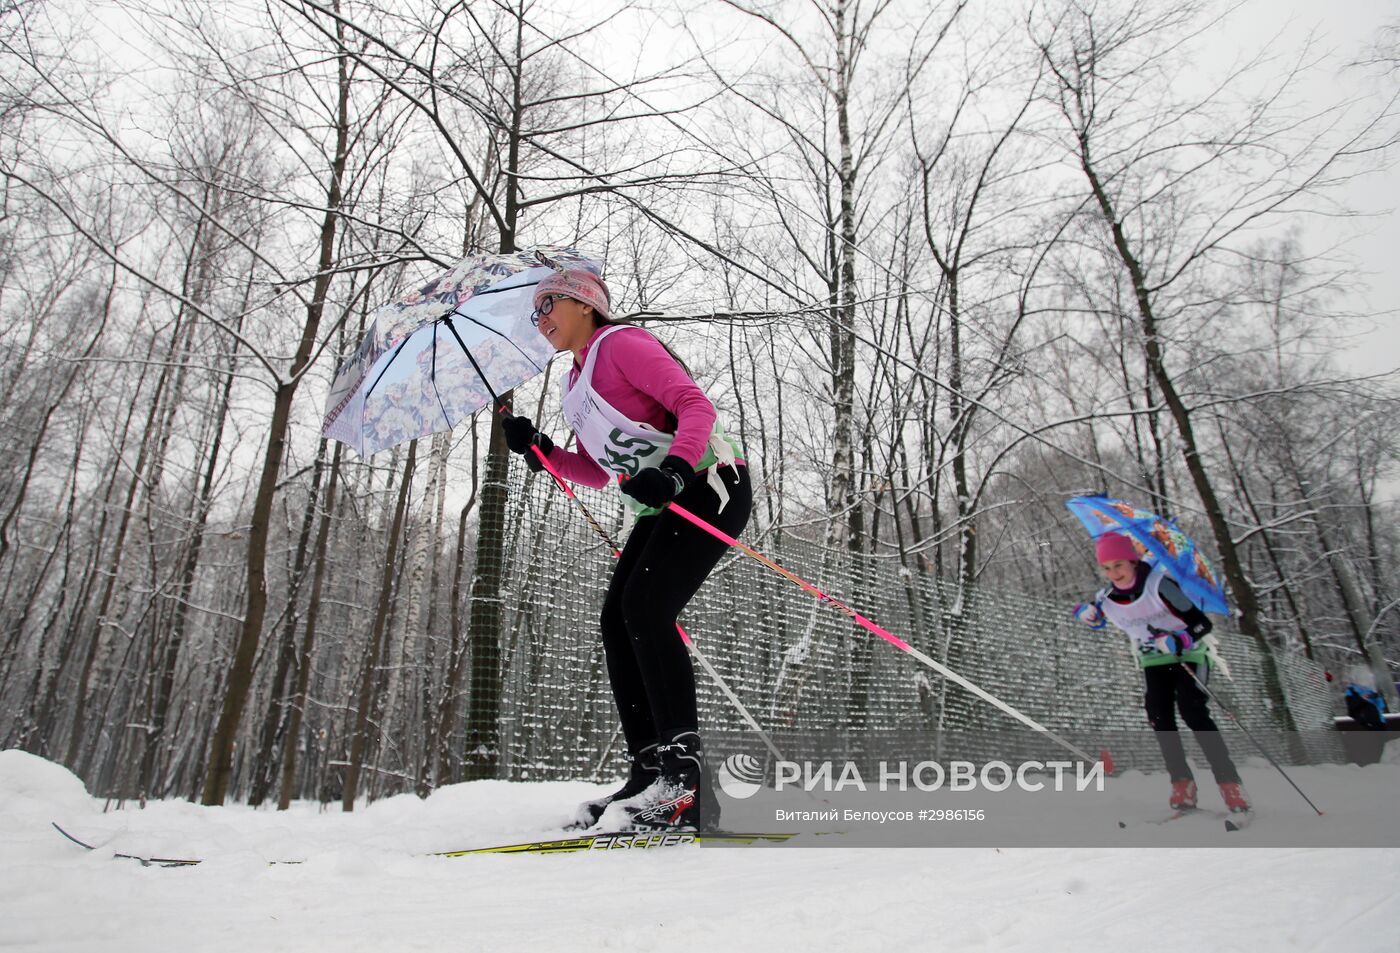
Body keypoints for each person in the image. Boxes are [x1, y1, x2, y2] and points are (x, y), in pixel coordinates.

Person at [501, 268, 750, 832]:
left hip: (709, 482)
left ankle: (685, 784)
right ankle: (649, 770)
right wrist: (539, 448)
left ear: (586, 304)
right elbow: (595, 469)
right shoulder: (575, 383)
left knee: (645, 608)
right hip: (659, 503)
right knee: (618, 621)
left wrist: (674, 470)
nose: (540, 321)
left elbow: (695, 407)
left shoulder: (622, 345)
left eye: (548, 306)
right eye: (535, 313)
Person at [1073, 532, 1251, 816]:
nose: (1113, 573)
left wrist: (1180, 640)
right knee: (1158, 712)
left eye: (1119, 564)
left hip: (1190, 655)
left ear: (1133, 561)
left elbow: (1201, 623)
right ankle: (1182, 782)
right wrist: (1086, 614)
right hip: (1153, 660)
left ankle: (1229, 783)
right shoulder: (1107, 596)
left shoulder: (1160, 585)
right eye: (1106, 568)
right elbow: (1099, 617)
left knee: (1192, 710)